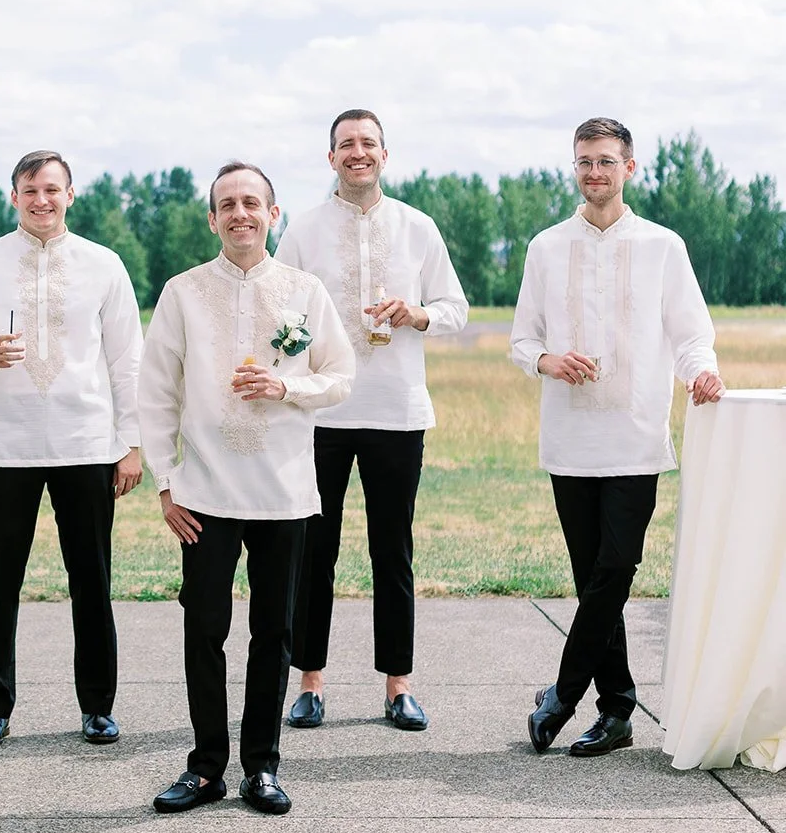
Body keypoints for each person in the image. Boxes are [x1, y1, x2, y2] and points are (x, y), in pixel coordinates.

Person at [141, 162, 354, 816]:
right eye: (227, 204)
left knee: (273, 634)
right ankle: (206, 768)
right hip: (202, 494)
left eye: (252, 203)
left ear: (273, 213)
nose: (240, 213)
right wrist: (165, 484)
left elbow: (340, 375)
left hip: (283, 492)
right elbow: (155, 393)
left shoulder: (305, 291)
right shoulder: (182, 292)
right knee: (204, 628)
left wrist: (288, 386)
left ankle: (261, 766)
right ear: (212, 218)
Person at [511, 117, 724, 756]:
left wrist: (702, 373)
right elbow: (524, 339)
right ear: (574, 167)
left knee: (614, 571)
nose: (594, 172)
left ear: (630, 168)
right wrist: (548, 362)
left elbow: (690, 332)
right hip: (569, 439)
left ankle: (563, 695)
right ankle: (619, 709)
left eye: (606, 161)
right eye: (584, 161)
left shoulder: (663, 246)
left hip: (635, 437)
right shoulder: (545, 247)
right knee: (591, 578)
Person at [0, 149, 143, 748]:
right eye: (30, 190)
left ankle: (98, 706)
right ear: (15, 196)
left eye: (52, 189)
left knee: (92, 579)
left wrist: (131, 443)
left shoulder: (104, 265)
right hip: (5, 444)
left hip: (87, 442)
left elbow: (129, 361)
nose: (41, 200)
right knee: (0, 580)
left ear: (70, 195)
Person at [276, 109, 467, 733]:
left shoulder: (417, 227)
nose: (357, 153)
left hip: (396, 410)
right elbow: (281, 317)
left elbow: (455, 308)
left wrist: (417, 314)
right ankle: (309, 682)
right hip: (321, 414)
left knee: (393, 549)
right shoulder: (302, 231)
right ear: (330, 158)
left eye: (368, 143)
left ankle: (399, 686)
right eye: (345, 145)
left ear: (385, 153)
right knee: (314, 550)